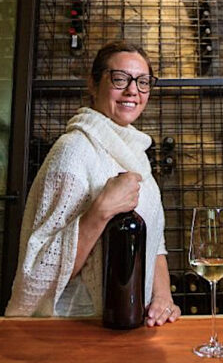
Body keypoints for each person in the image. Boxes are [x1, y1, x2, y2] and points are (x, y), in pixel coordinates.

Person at [5, 41, 181, 326]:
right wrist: (101, 211)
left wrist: (162, 297)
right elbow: (37, 272)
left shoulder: (136, 157)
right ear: (94, 83)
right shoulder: (73, 152)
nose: (133, 90)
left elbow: (155, 243)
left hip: (133, 325)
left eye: (143, 81)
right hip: (77, 330)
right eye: (120, 79)